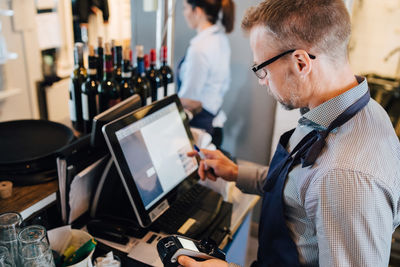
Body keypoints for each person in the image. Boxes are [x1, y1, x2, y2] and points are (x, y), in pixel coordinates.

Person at [178, 0, 400, 266]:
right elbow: (302, 186)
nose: (263, 81)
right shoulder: (350, 108)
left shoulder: (345, 176)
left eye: (263, 69)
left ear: (301, 63)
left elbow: (325, 182)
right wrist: (237, 173)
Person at [177, 0, 235, 147]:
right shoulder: (221, 38)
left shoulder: (199, 48)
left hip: (200, 128)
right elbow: (225, 84)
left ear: (197, 11)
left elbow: (190, 97)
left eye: (185, 8)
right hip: (215, 124)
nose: (184, 13)